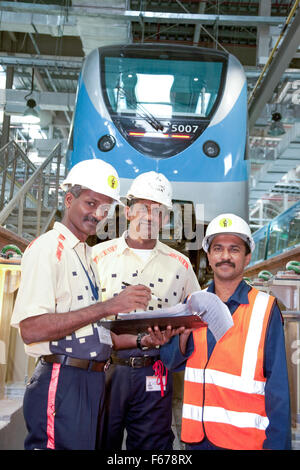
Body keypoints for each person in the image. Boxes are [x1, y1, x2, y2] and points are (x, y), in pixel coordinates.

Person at [10, 158, 160, 450]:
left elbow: (89, 332)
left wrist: (142, 340)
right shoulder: (47, 249)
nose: (97, 214)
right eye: (90, 203)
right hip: (62, 379)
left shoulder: (86, 255)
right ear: (69, 199)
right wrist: (109, 306)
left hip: (89, 382)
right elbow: (31, 329)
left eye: (105, 209)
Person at [160, 213, 291, 450]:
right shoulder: (192, 303)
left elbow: (278, 388)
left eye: (234, 249)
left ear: (247, 257)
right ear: (209, 257)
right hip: (197, 440)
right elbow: (170, 361)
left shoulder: (265, 309)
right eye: (218, 249)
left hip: (243, 441)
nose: (225, 256)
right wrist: (182, 338)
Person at [92, 171, 200, 450]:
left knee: (154, 447)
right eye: (142, 208)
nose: (149, 217)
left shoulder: (181, 265)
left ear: (166, 219)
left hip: (156, 372)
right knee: (98, 440)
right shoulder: (97, 258)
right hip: (105, 371)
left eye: (158, 211)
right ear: (128, 212)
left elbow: (197, 314)